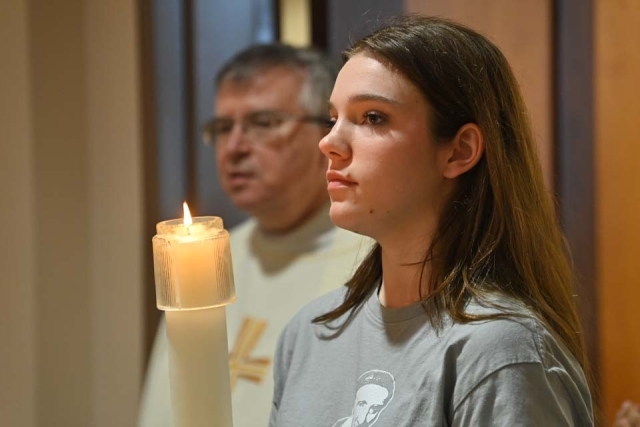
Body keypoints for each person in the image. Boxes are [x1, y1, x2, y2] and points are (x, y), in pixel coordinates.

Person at [270, 16, 595, 426]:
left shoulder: (500, 354)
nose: (329, 142)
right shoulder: (307, 335)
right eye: (333, 118)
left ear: (459, 151)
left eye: (372, 117)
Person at [137, 44, 370, 427]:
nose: (234, 148)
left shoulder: (375, 260)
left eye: (263, 123)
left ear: (327, 131)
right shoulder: (197, 257)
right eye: (223, 128)